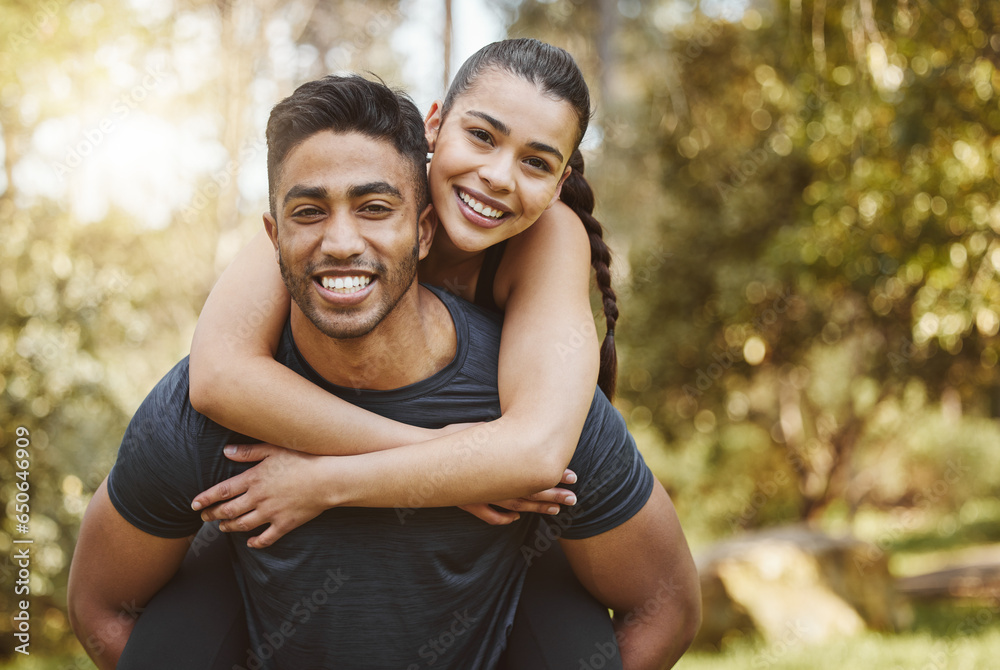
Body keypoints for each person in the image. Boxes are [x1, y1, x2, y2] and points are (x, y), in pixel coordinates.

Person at [67, 73, 700, 669]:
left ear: (421, 229)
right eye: (309, 212)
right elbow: (217, 378)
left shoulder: (542, 378)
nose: (498, 176)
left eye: (374, 208)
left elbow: (659, 596)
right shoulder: (204, 413)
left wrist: (328, 481)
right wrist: (461, 461)